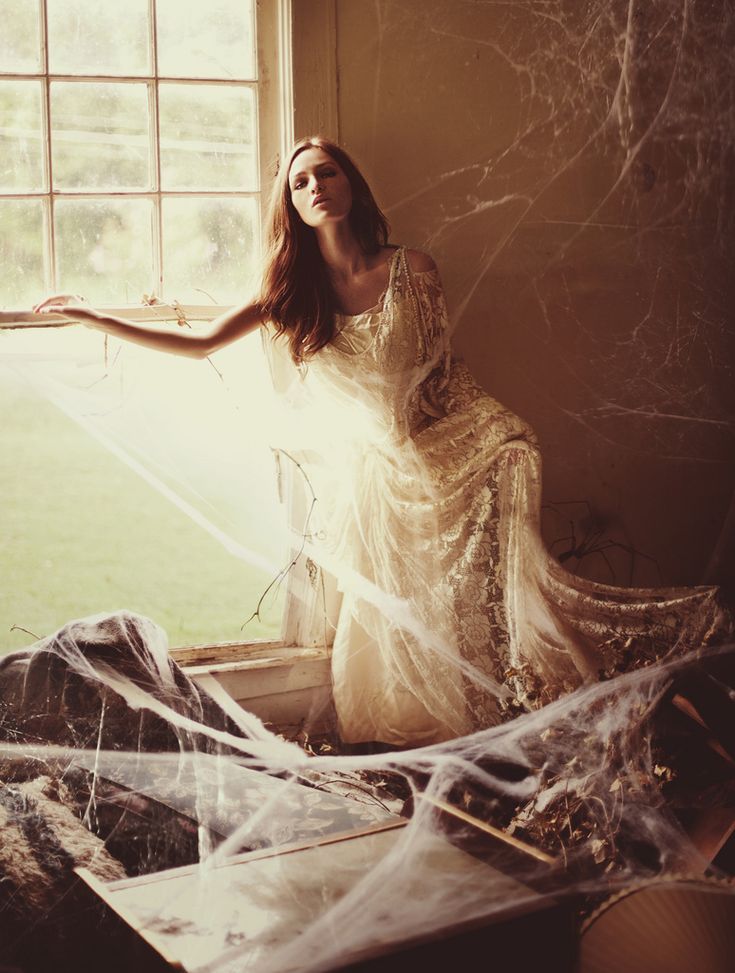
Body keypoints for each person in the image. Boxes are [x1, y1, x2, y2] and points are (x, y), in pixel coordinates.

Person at [35, 136, 732, 749]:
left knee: (471, 600)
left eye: (327, 173)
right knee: (387, 612)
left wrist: (492, 435)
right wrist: (95, 313)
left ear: (351, 186)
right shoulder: (288, 289)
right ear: (291, 207)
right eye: (301, 182)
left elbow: (442, 376)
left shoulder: (412, 269)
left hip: (436, 455)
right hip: (368, 476)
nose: (316, 187)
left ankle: (560, 705)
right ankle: (405, 738)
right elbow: (198, 343)